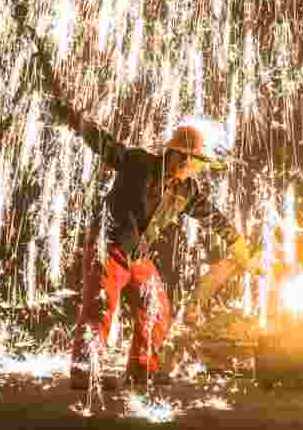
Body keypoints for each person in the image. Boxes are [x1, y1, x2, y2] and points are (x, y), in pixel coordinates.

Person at [33, 43, 263, 390]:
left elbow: (213, 216)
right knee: (100, 307)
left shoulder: (186, 192)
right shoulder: (138, 163)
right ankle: (84, 371)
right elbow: (102, 141)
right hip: (109, 247)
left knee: (155, 305)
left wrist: (238, 243)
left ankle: (142, 369)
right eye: (189, 160)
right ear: (175, 154)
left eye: (195, 163)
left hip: (137, 256)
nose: (191, 167)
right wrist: (72, 118)